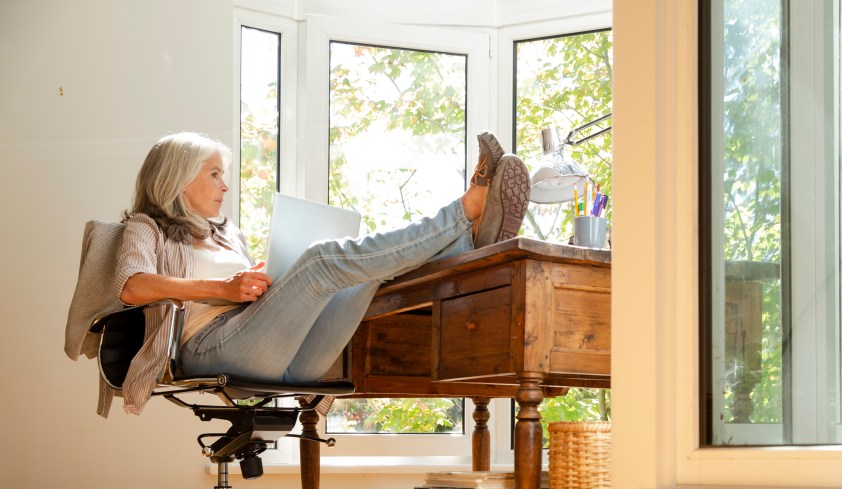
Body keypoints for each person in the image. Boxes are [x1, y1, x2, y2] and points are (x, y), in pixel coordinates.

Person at [74, 130, 530, 415]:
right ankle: (465, 214)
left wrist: (261, 277)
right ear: (178, 178)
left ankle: (468, 241)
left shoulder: (225, 233)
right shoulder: (143, 227)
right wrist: (224, 286)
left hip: (285, 356)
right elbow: (132, 287)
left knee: (365, 273)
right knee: (319, 260)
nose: (225, 185)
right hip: (209, 349)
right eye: (214, 174)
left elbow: (250, 299)